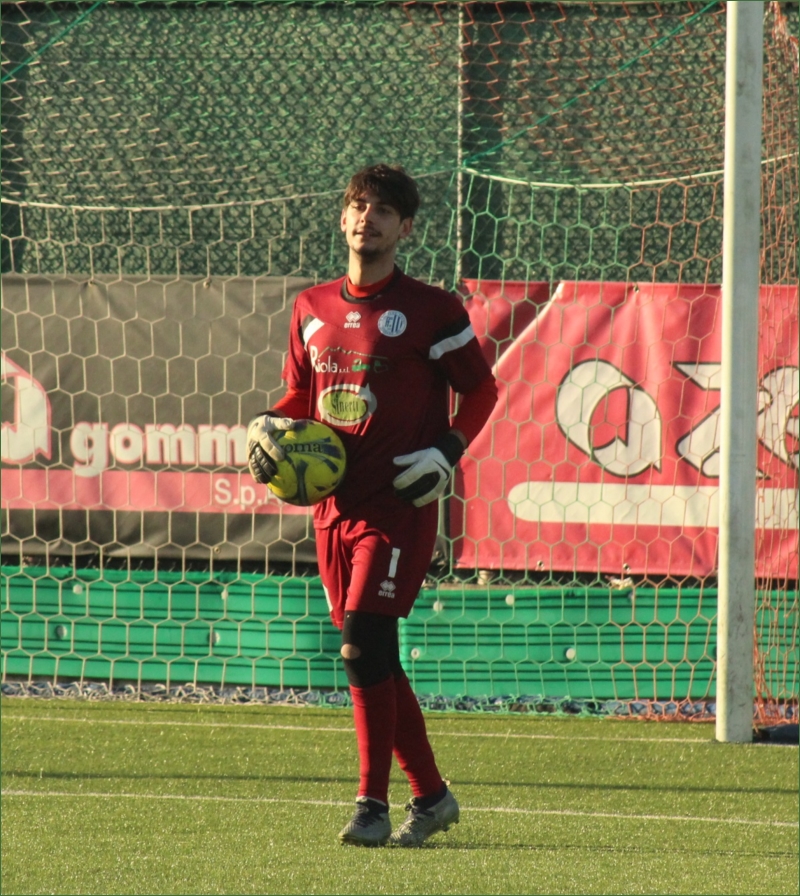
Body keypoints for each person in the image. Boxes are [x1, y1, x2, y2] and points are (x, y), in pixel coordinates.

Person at [246, 164, 497, 847]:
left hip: (397, 503)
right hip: (334, 507)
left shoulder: (431, 309)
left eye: (384, 210)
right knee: (374, 654)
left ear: (405, 228)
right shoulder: (310, 307)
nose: (369, 219)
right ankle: (433, 797)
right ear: (342, 218)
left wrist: (447, 450)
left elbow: (482, 390)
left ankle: (371, 806)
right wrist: (270, 427)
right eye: (359, 206)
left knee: (360, 644)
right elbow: (301, 397)